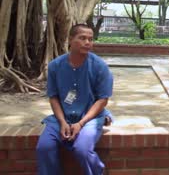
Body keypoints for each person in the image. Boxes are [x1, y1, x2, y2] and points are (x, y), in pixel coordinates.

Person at [36, 23, 114, 175]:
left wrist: (81, 123)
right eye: (82, 38)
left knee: (82, 149)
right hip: (62, 117)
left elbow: (102, 100)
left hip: (91, 118)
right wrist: (62, 122)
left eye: (90, 39)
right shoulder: (55, 66)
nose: (87, 42)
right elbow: (53, 97)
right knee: (44, 148)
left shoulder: (100, 67)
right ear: (70, 40)